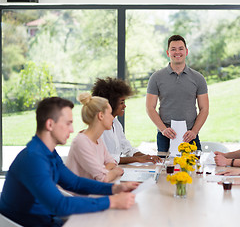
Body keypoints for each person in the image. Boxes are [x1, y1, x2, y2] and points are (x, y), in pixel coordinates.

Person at [0, 97, 138, 227]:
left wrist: (113, 189)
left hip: (47, 219)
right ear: (50, 124)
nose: (72, 130)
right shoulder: (33, 159)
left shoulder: (49, 153)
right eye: (68, 123)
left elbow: (74, 183)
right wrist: (111, 201)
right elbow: (60, 206)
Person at [146, 34, 209, 152]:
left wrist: (194, 131)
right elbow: (150, 107)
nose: (177, 52)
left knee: (194, 169)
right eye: (173, 49)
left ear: (186, 51)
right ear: (167, 52)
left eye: (181, 48)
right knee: (165, 170)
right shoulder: (156, 78)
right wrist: (163, 129)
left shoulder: (198, 78)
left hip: (190, 135)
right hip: (165, 135)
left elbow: (204, 108)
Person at [91, 77, 162, 164]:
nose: (125, 106)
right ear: (110, 104)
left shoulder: (116, 123)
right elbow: (105, 158)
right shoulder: (98, 127)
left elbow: (127, 149)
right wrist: (137, 159)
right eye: (121, 103)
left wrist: (147, 157)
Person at [66, 93, 124, 182]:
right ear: (101, 116)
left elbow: (112, 162)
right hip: (80, 194)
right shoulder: (81, 142)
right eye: (109, 114)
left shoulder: (97, 140)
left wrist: (102, 171)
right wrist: (116, 172)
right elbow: (103, 178)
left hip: (92, 191)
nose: (112, 118)